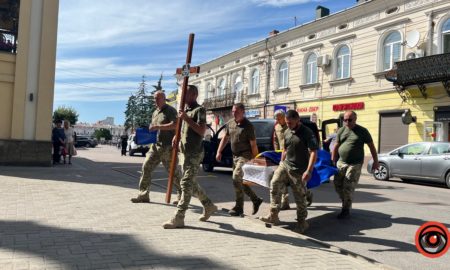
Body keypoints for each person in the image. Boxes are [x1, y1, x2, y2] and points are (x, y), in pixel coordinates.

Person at [163, 85, 218, 229]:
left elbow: (201, 130)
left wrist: (186, 118)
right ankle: (209, 205)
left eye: (185, 95)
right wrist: (176, 135)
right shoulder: (185, 111)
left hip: (194, 153)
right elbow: (182, 128)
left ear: (194, 95)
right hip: (184, 153)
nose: (182, 98)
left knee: (186, 183)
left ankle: (179, 217)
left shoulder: (199, 110)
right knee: (192, 184)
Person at [260, 110, 318, 234]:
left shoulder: (307, 133)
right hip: (285, 165)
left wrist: (309, 170)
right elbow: (285, 149)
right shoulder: (287, 131)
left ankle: (302, 222)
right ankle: (273, 215)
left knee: (299, 197)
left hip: (299, 170)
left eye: (290, 123)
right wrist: (281, 163)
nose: (289, 125)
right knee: (274, 183)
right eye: (287, 123)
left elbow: (313, 152)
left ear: (297, 119)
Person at [131, 91, 182, 204]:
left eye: (157, 98)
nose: (155, 101)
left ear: (164, 99)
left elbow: (176, 124)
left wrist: (158, 126)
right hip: (155, 146)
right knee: (146, 167)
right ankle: (143, 194)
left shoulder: (170, 110)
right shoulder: (155, 112)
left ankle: (181, 196)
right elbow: (153, 128)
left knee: (173, 173)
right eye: (154, 99)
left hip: (167, 147)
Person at [216, 103, 263, 216]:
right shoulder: (230, 123)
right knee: (239, 181)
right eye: (233, 111)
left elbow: (253, 145)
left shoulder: (248, 126)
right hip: (235, 156)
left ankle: (239, 207)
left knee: (236, 176)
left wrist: (256, 161)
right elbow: (225, 138)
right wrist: (219, 151)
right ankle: (255, 199)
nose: (234, 113)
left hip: (245, 155)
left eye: (236, 111)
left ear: (243, 112)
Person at [331, 111, 379, 219]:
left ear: (355, 119)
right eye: (345, 120)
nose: (347, 122)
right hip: (341, 162)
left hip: (355, 164)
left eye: (350, 120)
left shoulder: (362, 131)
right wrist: (333, 159)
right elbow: (336, 146)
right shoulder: (341, 130)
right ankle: (346, 201)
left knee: (348, 186)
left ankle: (345, 209)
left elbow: (371, 147)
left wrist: (376, 161)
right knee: (337, 185)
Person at [273, 110, 291, 210]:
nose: (278, 120)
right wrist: (276, 151)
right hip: (282, 156)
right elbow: (276, 140)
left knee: (294, 180)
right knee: (282, 179)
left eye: (279, 118)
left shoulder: (290, 126)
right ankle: (285, 202)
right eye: (276, 118)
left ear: (284, 117)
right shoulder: (276, 127)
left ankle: (307, 194)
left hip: (292, 156)